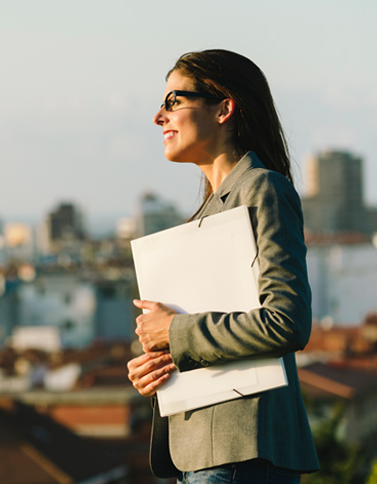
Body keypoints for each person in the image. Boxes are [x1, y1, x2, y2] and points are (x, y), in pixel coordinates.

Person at [126, 49, 320, 483]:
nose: (160, 117)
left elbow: (286, 322)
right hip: (205, 455)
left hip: (239, 452)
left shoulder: (262, 188)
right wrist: (158, 362)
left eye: (174, 101)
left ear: (224, 108)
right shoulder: (210, 214)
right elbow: (213, 335)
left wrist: (174, 332)